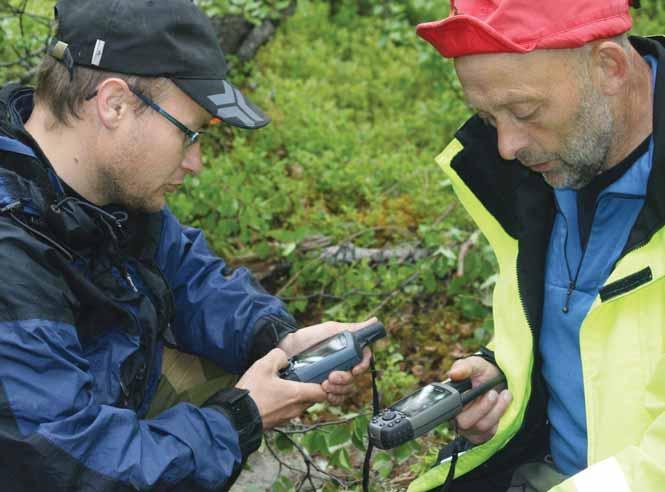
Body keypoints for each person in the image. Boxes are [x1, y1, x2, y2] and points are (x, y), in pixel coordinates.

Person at [0, 1, 373, 491]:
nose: (195, 162)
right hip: (50, 466)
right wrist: (239, 418)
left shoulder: (104, 191)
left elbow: (192, 279)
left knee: (221, 365)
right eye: (188, 133)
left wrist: (278, 339)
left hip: (84, 418)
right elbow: (67, 467)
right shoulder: (11, 256)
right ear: (114, 105)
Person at [407, 0, 665, 491]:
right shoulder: (543, 174)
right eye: (486, 117)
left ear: (608, 67)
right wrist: (505, 376)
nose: (507, 145)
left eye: (524, 111)